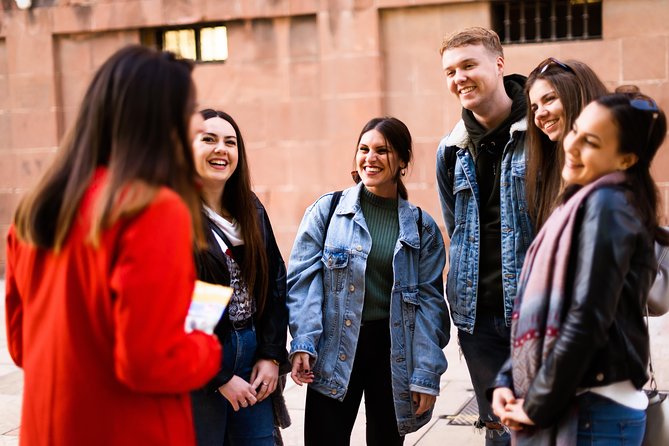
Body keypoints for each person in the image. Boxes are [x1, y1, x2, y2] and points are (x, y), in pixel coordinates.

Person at [5, 45, 222, 445]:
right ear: (159, 117)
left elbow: (21, 346)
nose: (196, 122)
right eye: (189, 108)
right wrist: (207, 348)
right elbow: (149, 362)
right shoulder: (152, 209)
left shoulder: (36, 210)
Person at [491, 93, 668, 445]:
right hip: (586, 404)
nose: (572, 145)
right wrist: (507, 379)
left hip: (593, 410)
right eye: (575, 131)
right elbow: (544, 311)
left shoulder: (608, 204)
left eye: (591, 141)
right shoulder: (584, 201)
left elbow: (587, 316)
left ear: (626, 159)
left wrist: (537, 404)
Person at [287, 116, 450, 445]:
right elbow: (303, 280)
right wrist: (304, 341)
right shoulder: (327, 211)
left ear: (403, 161)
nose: (370, 158)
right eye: (364, 149)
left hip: (393, 353)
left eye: (382, 150)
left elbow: (431, 304)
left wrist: (426, 374)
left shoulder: (422, 228)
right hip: (335, 347)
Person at [436, 26, 532, 444]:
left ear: (499, 62)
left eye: (468, 65)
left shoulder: (542, 133)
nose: (459, 78)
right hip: (477, 320)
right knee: (497, 431)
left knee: (540, 427)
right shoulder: (450, 150)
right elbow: (456, 229)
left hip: (534, 312)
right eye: (450, 71)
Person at [189, 109, 290, 445]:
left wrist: (271, 355)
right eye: (209, 140)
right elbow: (167, 311)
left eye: (230, 142)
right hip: (200, 363)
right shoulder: (173, 215)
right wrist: (218, 377)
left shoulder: (251, 209)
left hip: (252, 354)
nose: (222, 149)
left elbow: (275, 283)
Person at [525, 57, 608, 229]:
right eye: (534, 108)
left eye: (549, 99)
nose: (539, 114)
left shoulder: (608, 171)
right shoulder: (550, 169)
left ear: (577, 96)